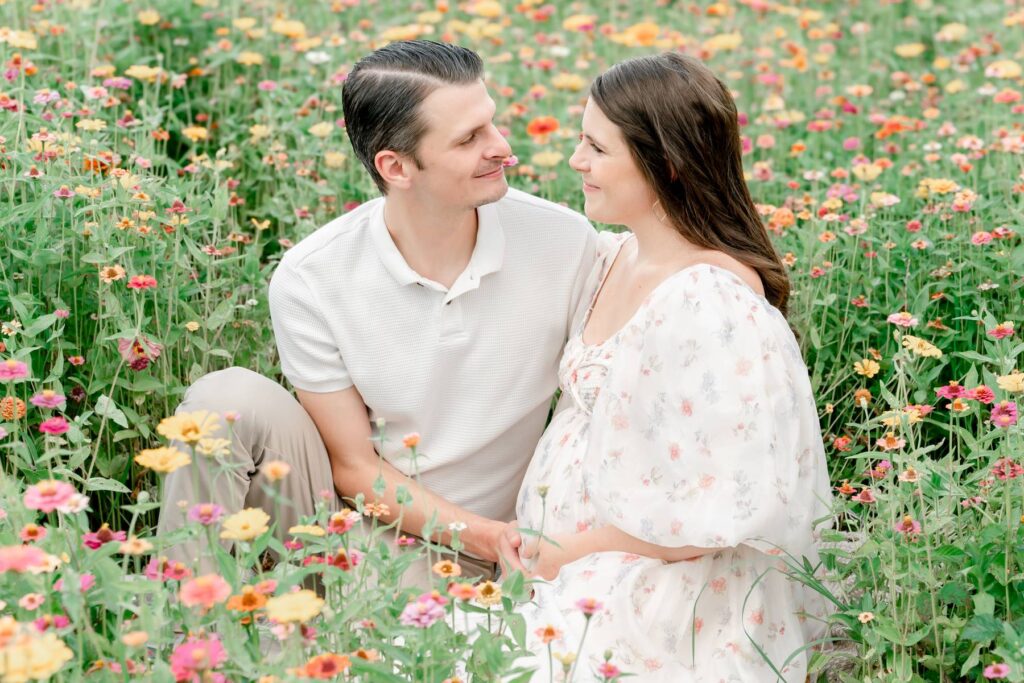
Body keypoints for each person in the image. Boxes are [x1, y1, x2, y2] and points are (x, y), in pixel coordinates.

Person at [156, 40, 597, 585]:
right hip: (362, 524)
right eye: (469, 138)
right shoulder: (312, 276)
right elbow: (355, 468)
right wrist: (477, 533)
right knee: (223, 401)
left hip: (515, 540)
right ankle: (191, 637)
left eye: (492, 123)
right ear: (396, 166)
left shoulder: (565, 241)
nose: (502, 147)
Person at [510, 53, 832, 681]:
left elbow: (722, 512)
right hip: (576, 557)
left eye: (597, 148)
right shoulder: (619, 253)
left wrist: (569, 551)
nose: (576, 160)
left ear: (671, 164)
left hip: (668, 584)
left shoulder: (710, 302)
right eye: (580, 139)